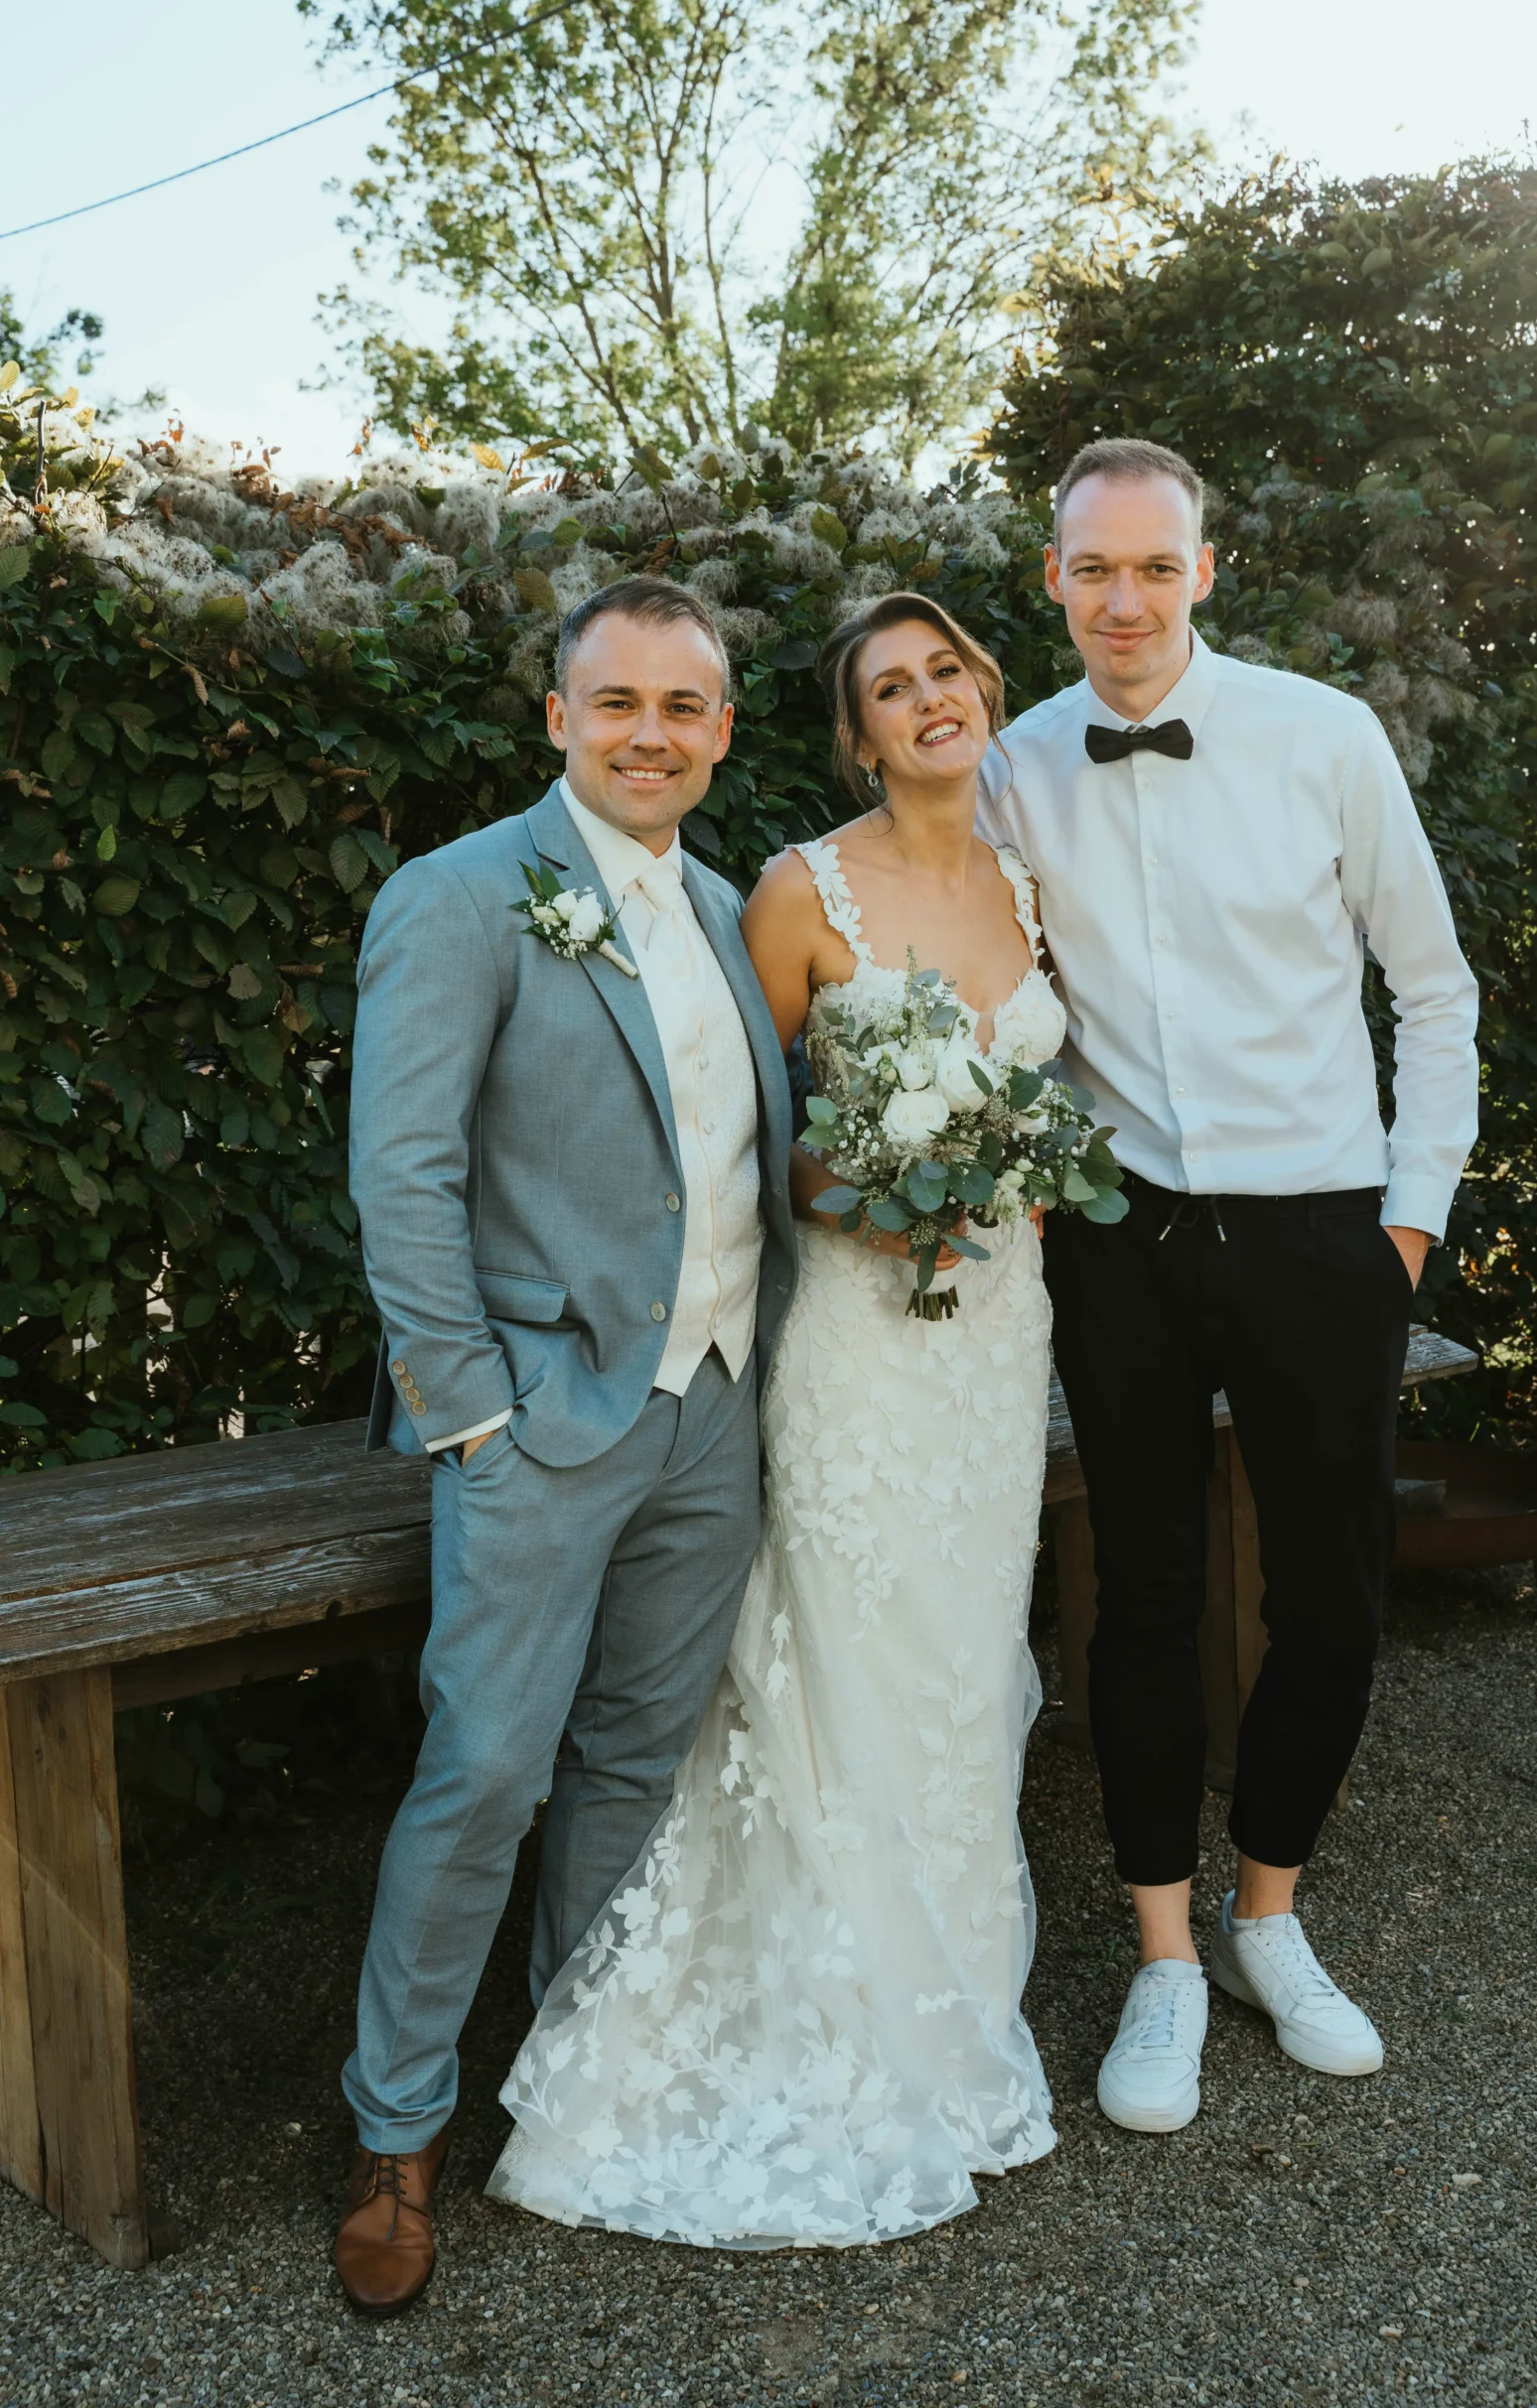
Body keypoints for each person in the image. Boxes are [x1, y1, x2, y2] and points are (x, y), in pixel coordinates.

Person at [487, 592, 1060, 2246]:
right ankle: (837, 2008)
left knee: (963, 1666)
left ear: (981, 692)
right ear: (854, 736)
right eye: (889, 687)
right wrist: (872, 1193)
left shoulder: (1032, 881)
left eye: (944, 671)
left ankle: (955, 2004)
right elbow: (730, 1136)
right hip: (857, 1345)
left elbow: (1055, 1097)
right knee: (844, 1652)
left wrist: (1014, 1172)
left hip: (996, 1341)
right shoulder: (801, 893)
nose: (925, 699)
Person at [978, 438, 1478, 2135]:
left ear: (1203, 572)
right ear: (1053, 579)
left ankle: (1269, 1916)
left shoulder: (1320, 736)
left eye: (1153, 566)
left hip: (1323, 1231)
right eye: (1091, 569)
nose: (1122, 600)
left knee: (1332, 1596)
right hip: (1120, 1235)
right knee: (1142, 1598)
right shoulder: (1012, 767)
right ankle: (1162, 1957)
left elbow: (1433, 990)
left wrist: (1404, 1224)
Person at [335, 576, 798, 2313]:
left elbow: (731, 1157)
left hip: (711, 1411)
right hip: (536, 1420)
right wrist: (470, 1412)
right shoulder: (459, 897)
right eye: (617, 702)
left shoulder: (731, 909)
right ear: (557, 717)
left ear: (722, 730)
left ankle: (576, 2081)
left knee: (632, 1764)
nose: (649, 735)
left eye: (682, 706)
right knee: (483, 1775)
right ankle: (396, 2133)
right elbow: (404, 1174)